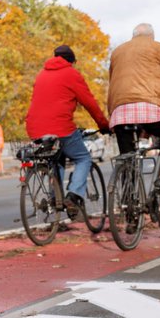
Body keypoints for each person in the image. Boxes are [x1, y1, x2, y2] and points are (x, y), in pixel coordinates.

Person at [106, 23, 160, 201]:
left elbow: (112, 85)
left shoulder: (117, 52)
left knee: (128, 160)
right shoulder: (159, 48)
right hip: (151, 109)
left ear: (133, 36)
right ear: (151, 36)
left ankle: (130, 211)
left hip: (121, 113)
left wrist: (111, 114)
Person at [24, 44, 110, 214]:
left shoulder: (41, 74)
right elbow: (90, 103)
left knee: (57, 159)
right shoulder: (71, 74)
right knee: (83, 158)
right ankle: (74, 194)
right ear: (71, 61)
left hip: (35, 128)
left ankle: (55, 201)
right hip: (61, 128)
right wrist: (104, 125)